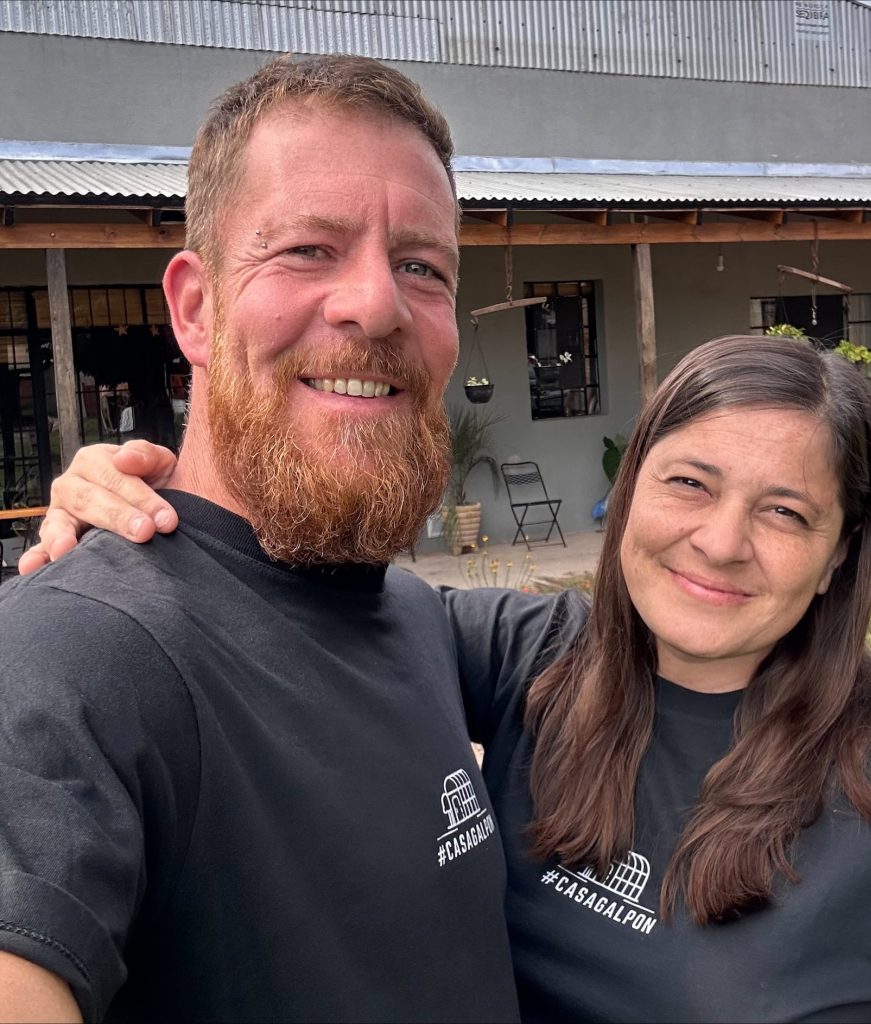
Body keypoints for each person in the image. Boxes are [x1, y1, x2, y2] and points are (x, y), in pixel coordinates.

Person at [34, 335, 871, 1022]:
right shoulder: (533, 657)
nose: (720, 543)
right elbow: (287, 614)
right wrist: (145, 518)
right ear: (629, 490)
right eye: (689, 482)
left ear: (840, 555)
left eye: (785, 513)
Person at [0, 55, 519, 1022]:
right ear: (194, 308)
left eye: (422, 266)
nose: (378, 303)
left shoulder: (418, 621)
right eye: (308, 251)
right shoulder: (68, 655)